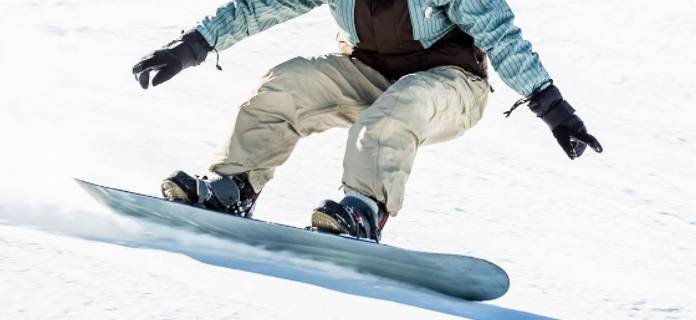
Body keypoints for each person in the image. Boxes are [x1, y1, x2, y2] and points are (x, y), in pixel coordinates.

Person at [132, 0, 603, 242]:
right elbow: (262, 5)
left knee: (395, 112)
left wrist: (552, 107)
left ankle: (364, 211)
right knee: (285, 85)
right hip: (369, 70)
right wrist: (192, 45)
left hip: (451, 83)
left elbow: (500, 34)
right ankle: (233, 186)